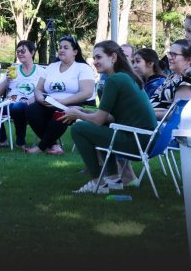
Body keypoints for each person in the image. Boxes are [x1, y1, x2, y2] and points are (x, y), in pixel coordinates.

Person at [66, 40, 157, 194]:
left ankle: (98, 183)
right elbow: (108, 117)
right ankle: (114, 180)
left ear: (113, 57)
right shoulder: (125, 76)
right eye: (94, 58)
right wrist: (84, 110)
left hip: (137, 142)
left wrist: (77, 114)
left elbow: (99, 120)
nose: (95, 62)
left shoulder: (114, 80)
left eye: (99, 57)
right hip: (146, 140)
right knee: (98, 126)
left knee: (78, 128)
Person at [24, 35, 95, 155]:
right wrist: (40, 99)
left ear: (75, 52)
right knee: (31, 110)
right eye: (60, 47)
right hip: (51, 103)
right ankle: (54, 146)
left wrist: (63, 102)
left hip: (77, 104)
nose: (61, 50)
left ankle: (40, 147)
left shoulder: (83, 68)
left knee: (61, 112)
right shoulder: (51, 67)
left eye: (66, 48)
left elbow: (87, 93)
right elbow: (38, 89)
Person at [0, 40, 45, 148]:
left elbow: (45, 92)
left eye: (23, 51)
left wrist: (33, 99)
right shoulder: (13, 70)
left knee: (18, 106)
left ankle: (20, 140)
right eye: (18, 52)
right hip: (9, 103)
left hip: (29, 105)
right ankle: (2, 140)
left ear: (32, 53)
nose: (19, 54)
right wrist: (6, 80)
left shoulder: (41, 72)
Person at [150, 39, 191, 120]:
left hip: (157, 126)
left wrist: (149, 114)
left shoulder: (186, 84)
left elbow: (179, 115)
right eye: (169, 54)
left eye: (174, 55)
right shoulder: (173, 76)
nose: (169, 58)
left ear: (189, 59)